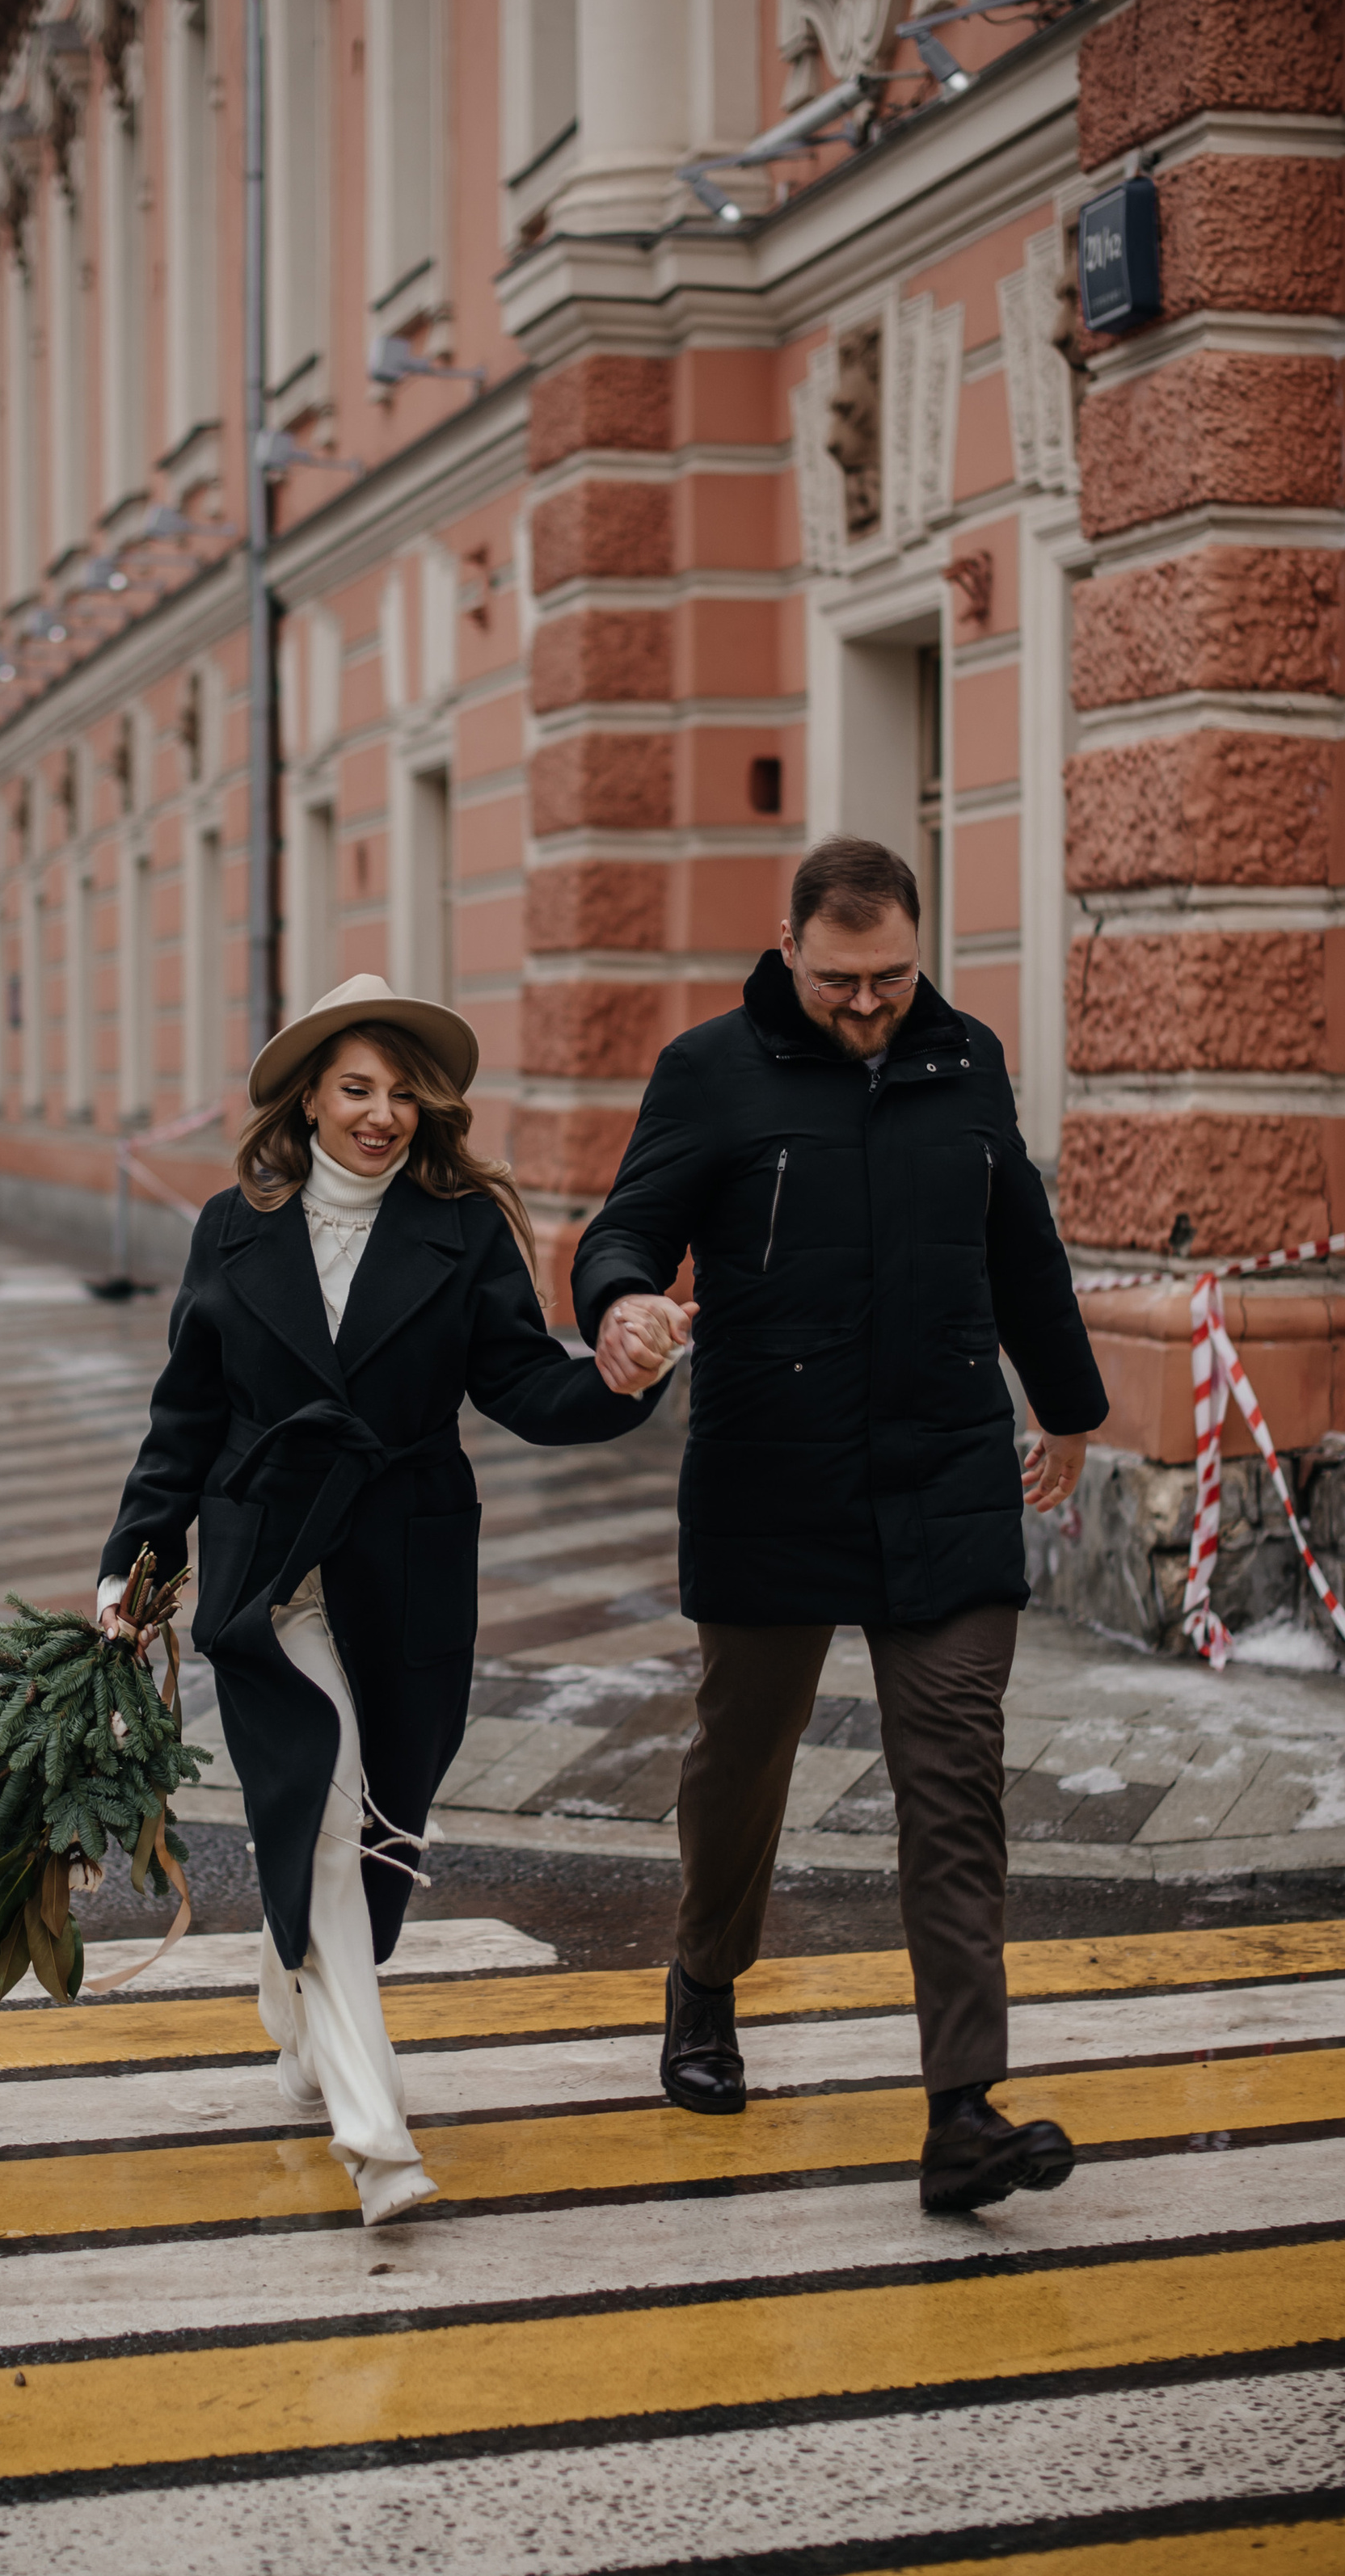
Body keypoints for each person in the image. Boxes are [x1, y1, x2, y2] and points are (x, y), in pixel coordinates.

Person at [572, 836, 1110, 2217]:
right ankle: (703, 1976)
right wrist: (624, 1305)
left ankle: (964, 2112)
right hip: (773, 1470)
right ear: (790, 948)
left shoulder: (969, 1057)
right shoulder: (713, 1069)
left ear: (918, 949)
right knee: (744, 1753)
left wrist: (1069, 1404)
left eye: (891, 975)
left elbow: (1022, 1246)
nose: (868, 1003)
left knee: (954, 1778)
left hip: (942, 1470)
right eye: (839, 979)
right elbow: (624, 1227)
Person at [98, 975, 669, 2229]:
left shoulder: (457, 1230)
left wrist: (627, 1374)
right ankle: (377, 2129)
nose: (383, 1114)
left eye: (404, 1093)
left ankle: (291, 2002)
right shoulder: (230, 1228)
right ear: (307, 1095)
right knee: (326, 1793)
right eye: (358, 1088)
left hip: (406, 1554)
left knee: (378, 1820)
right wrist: (134, 1564)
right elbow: (185, 1413)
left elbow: (523, 1383)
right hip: (265, 1568)